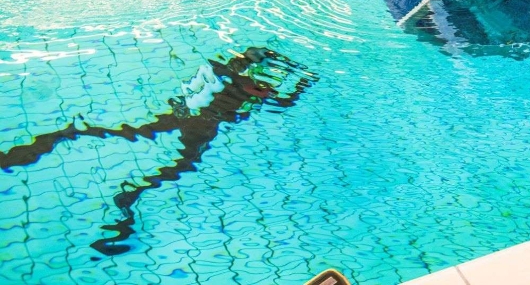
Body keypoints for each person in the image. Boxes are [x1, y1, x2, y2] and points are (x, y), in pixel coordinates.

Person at [0, 47, 315, 256]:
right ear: (250, 78)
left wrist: (302, 84)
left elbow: (283, 99)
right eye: (260, 86)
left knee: (179, 166)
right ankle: (46, 144)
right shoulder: (234, 77)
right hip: (189, 119)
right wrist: (262, 61)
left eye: (266, 90)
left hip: (199, 126)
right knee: (130, 135)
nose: (262, 93)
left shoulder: (252, 90)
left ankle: (128, 200)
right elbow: (236, 61)